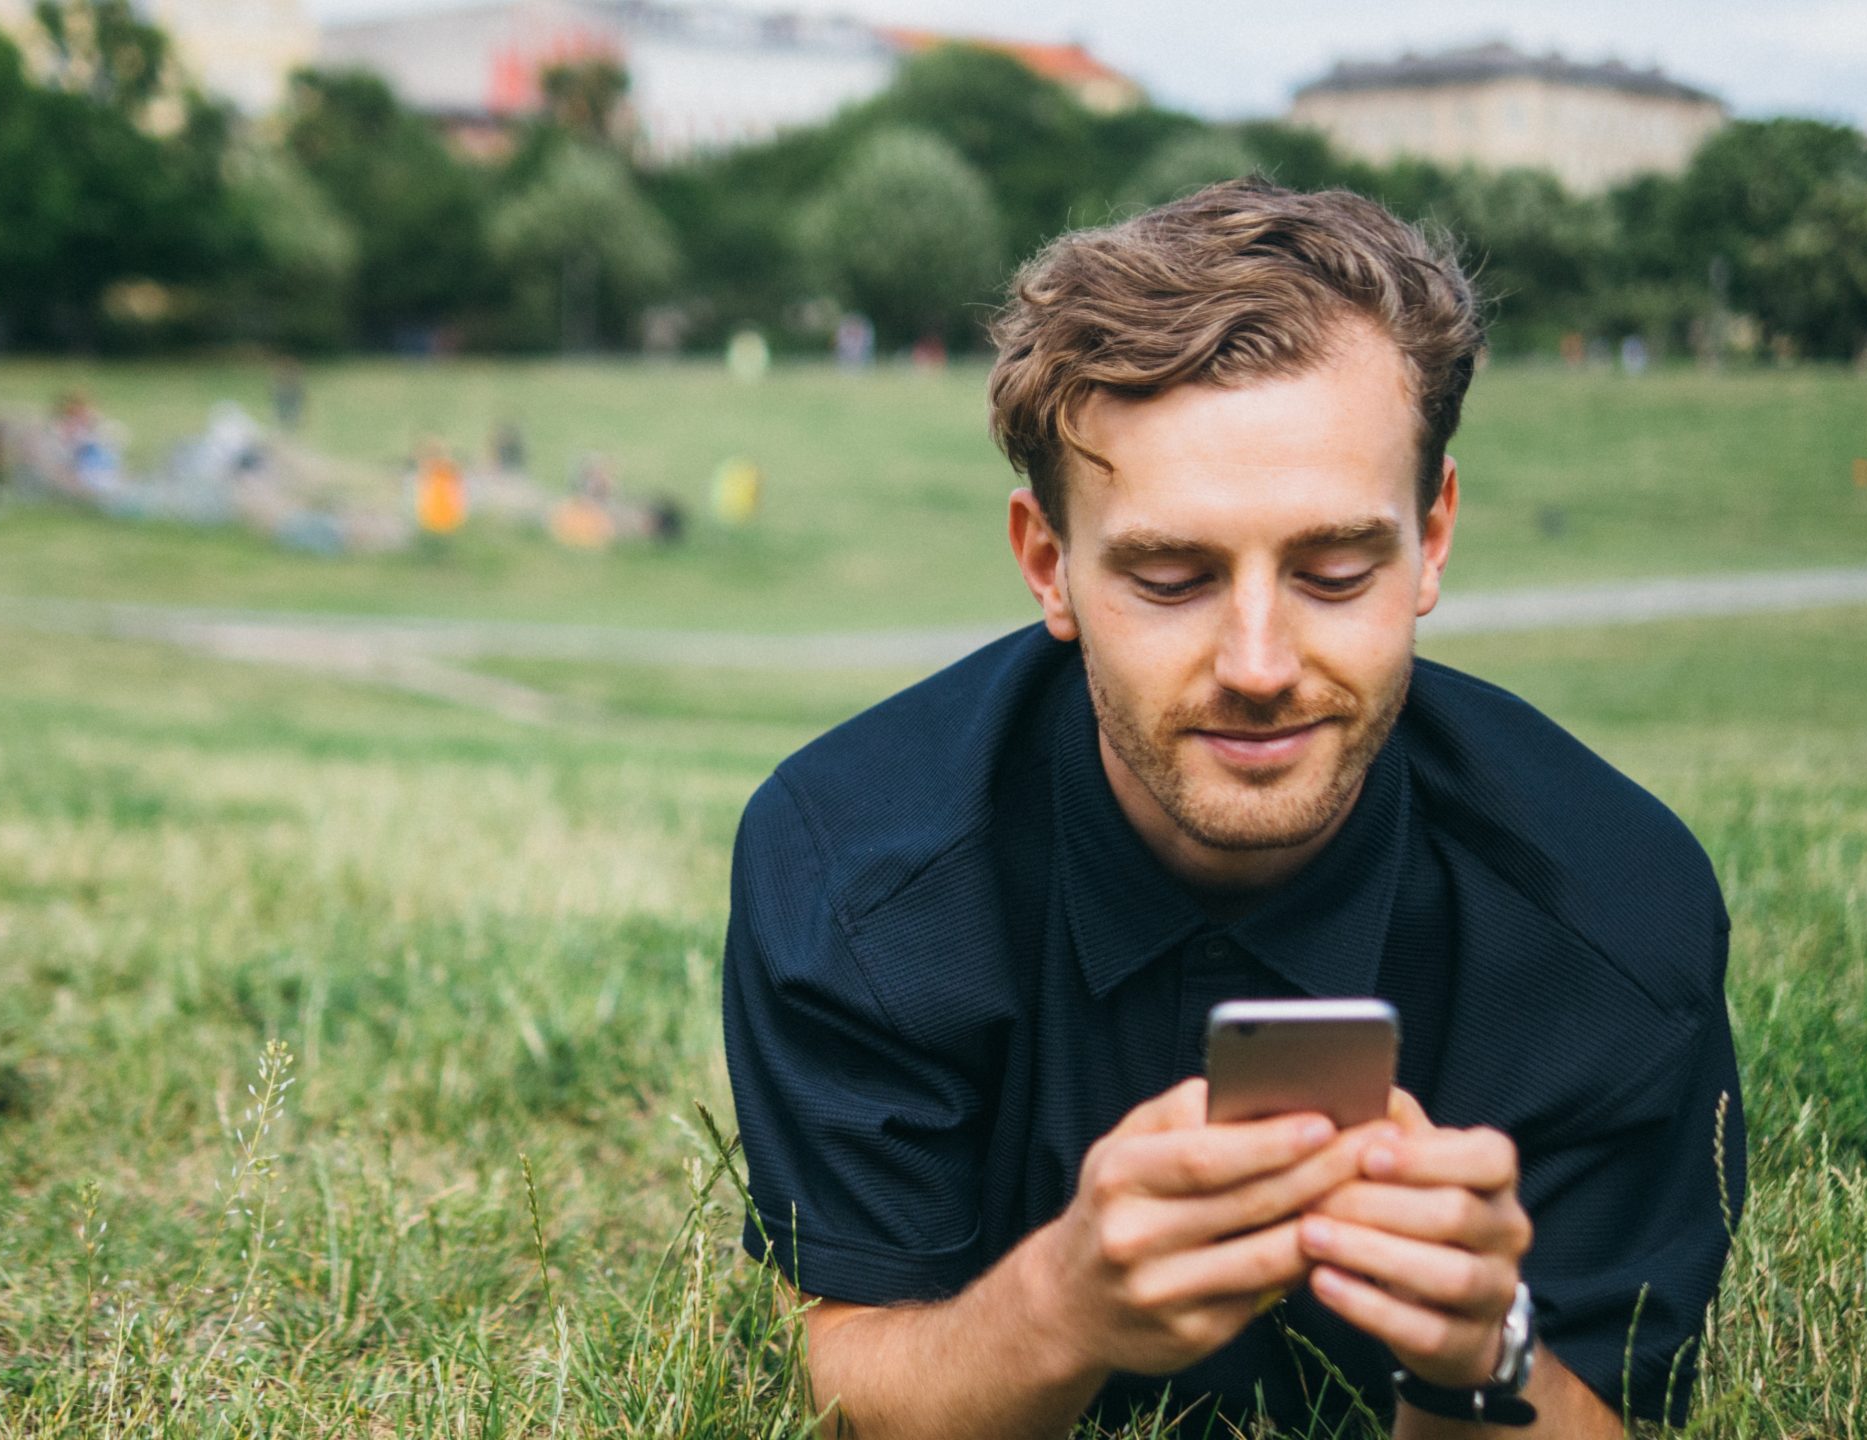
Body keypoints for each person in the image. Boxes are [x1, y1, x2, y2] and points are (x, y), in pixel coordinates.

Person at [723, 181, 1744, 1439]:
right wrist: (1062, 1302)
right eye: (1170, 575)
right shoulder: (853, 876)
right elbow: (845, 1381)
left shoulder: (1615, 915)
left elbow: (1609, 1416)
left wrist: (1475, 1349)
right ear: (1049, 563)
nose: (1259, 664)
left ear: (1431, 540)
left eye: (1332, 571)